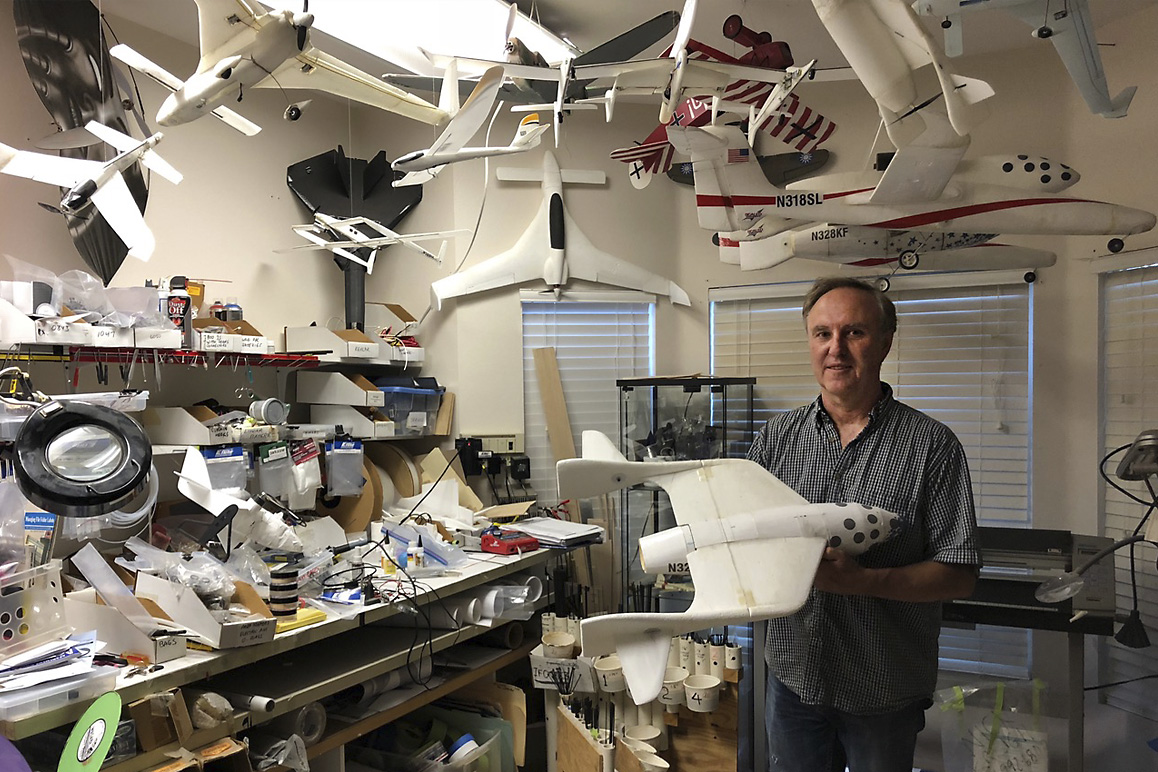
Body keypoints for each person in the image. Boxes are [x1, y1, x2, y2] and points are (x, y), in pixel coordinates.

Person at [747, 277, 981, 772]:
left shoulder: (932, 447)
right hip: (794, 681)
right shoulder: (775, 440)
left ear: (885, 342)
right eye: (822, 334)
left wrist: (863, 582)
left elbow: (958, 572)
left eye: (854, 333)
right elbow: (751, 540)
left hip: (884, 692)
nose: (836, 350)